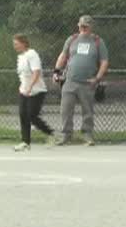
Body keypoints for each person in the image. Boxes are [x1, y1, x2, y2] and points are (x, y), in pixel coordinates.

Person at [52, 15, 109, 146]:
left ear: (91, 27)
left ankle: (87, 135)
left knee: (87, 110)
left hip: (88, 82)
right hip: (70, 81)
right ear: (78, 25)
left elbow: (104, 61)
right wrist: (56, 71)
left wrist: (98, 78)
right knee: (65, 109)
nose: (83, 28)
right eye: (81, 25)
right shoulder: (72, 39)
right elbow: (63, 56)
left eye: (86, 26)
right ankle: (66, 135)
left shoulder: (98, 42)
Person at [13, 34, 53, 152]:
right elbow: (23, 75)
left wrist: (30, 86)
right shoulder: (20, 57)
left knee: (32, 115)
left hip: (37, 91)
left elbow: (36, 72)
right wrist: (23, 87)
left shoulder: (32, 54)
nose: (14, 46)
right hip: (24, 91)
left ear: (23, 43)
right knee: (23, 115)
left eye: (16, 43)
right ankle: (25, 142)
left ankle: (51, 134)